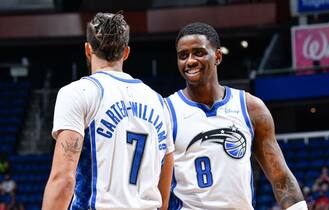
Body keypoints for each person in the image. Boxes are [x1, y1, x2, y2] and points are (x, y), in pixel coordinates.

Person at [165, 22, 307, 210]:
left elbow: (281, 177)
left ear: (217, 57)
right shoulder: (166, 110)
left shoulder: (251, 108)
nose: (190, 61)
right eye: (183, 56)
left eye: (198, 52)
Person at [42, 11, 174, 210]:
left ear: (87, 50)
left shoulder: (79, 92)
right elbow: (164, 191)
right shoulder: (159, 102)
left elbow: (63, 181)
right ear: (126, 52)